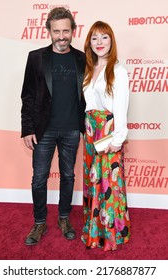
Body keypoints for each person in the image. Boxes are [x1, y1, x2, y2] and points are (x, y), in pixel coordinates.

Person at [21, 7, 86, 245]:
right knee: (39, 178)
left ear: (73, 31)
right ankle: (39, 223)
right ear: (48, 30)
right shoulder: (36, 57)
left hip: (71, 129)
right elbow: (27, 96)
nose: (61, 36)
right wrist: (27, 129)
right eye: (56, 31)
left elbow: (88, 95)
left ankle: (64, 218)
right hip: (43, 131)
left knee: (68, 176)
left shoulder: (82, 58)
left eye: (66, 31)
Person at [81, 21, 131, 251]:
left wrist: (117, 140)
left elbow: (121, 108)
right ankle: (94, 230)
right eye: (94, 38)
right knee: (93, 182)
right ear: (89, 42)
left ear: (112, 41)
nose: (99, 43)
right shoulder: (88, 69)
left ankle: (111, 234)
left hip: (108, 134)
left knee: (109, 184)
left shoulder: (118, 71)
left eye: (104, 38)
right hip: (90, 134)